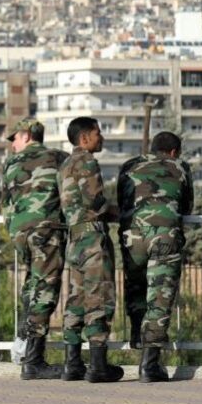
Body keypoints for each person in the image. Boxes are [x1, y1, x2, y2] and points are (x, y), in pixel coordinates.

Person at [118, 131, 193, 383]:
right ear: (173, 152)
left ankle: (136, 335)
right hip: (165, 236)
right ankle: (149, 364)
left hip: (132, 236)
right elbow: (187, 206)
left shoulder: (129, 165)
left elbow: (121, 200)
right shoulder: (179, 166)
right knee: (160, 298)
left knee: (135, 286)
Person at [0, 118, 69, 380]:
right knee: (45, 292)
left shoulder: (9, 164)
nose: (13, 144)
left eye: (14, 138)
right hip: (46, 232)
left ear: (26, 136)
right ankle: (34, 361)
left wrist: (14, 229)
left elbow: (5, 202)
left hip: (21, 233)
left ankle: (24, 346)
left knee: (32, 287)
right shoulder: (58, 157)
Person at [58, 117, 123, 383]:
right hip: (93, 239)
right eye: (98, 132)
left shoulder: (64, 165)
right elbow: (96, 201)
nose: (102, 137)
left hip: (74, 240)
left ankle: (72, 364)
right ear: (85, 138)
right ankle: (97, 366)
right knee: (99, 299)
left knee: (75, 300)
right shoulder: (87, 162)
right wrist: (119, 212)